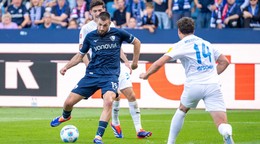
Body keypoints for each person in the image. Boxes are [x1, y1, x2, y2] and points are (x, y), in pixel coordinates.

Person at [139, 17, 234, 144]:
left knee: (182, 109)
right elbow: (225, 62)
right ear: (193, 30)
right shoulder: (206, 43)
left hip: (194, 85)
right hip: (213, 85)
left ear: (179, 31)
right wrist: (210, 74)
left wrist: (146, 74)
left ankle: (170, 142)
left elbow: (159, 63)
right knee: (221, 123)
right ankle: (226, 132)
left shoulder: (180, 45)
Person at [50, 11, 141, 144]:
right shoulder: (90, 36)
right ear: (96, 23)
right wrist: (66, 67)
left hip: (110, 75)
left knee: (109, 101)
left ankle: (98, 137)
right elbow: (80, 55)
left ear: (109, 23)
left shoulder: (118, 33)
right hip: (92, 75)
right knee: (68, 103)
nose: (101, 28)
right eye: (99, 25)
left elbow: (137, 42)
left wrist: (134, 63)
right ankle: (65, 116)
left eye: (104, 25)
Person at [79, 0, 152, 139]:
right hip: (100, 70)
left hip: (116, 66)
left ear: (104, 10)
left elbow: (117, 47)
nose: (97, 13)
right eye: (94, 11)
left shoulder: (109, 24)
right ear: (90, 12)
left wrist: (126, 62)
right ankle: (115, 122)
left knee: (131, 95)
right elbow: (82, 53)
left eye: (100, 10)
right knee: (113, 97)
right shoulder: (86, 29)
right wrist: (90, 69)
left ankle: (139, 129)